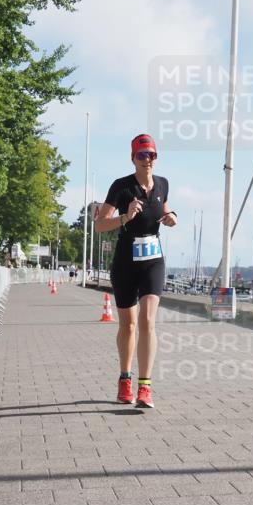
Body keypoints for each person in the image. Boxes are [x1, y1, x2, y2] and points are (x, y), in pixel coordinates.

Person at [94, 134, 177, 408]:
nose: (148, 159)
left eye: (152, 154)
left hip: (153, 261)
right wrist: (125, 217)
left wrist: (171, 216)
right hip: (125, 264)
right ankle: (124, 379)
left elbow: (164, 210)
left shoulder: (162, 184)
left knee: (148, 322)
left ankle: (145, 387)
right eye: (142, 155)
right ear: (133, 158)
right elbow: (100, 225)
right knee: (128, 325)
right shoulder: (121, 187)